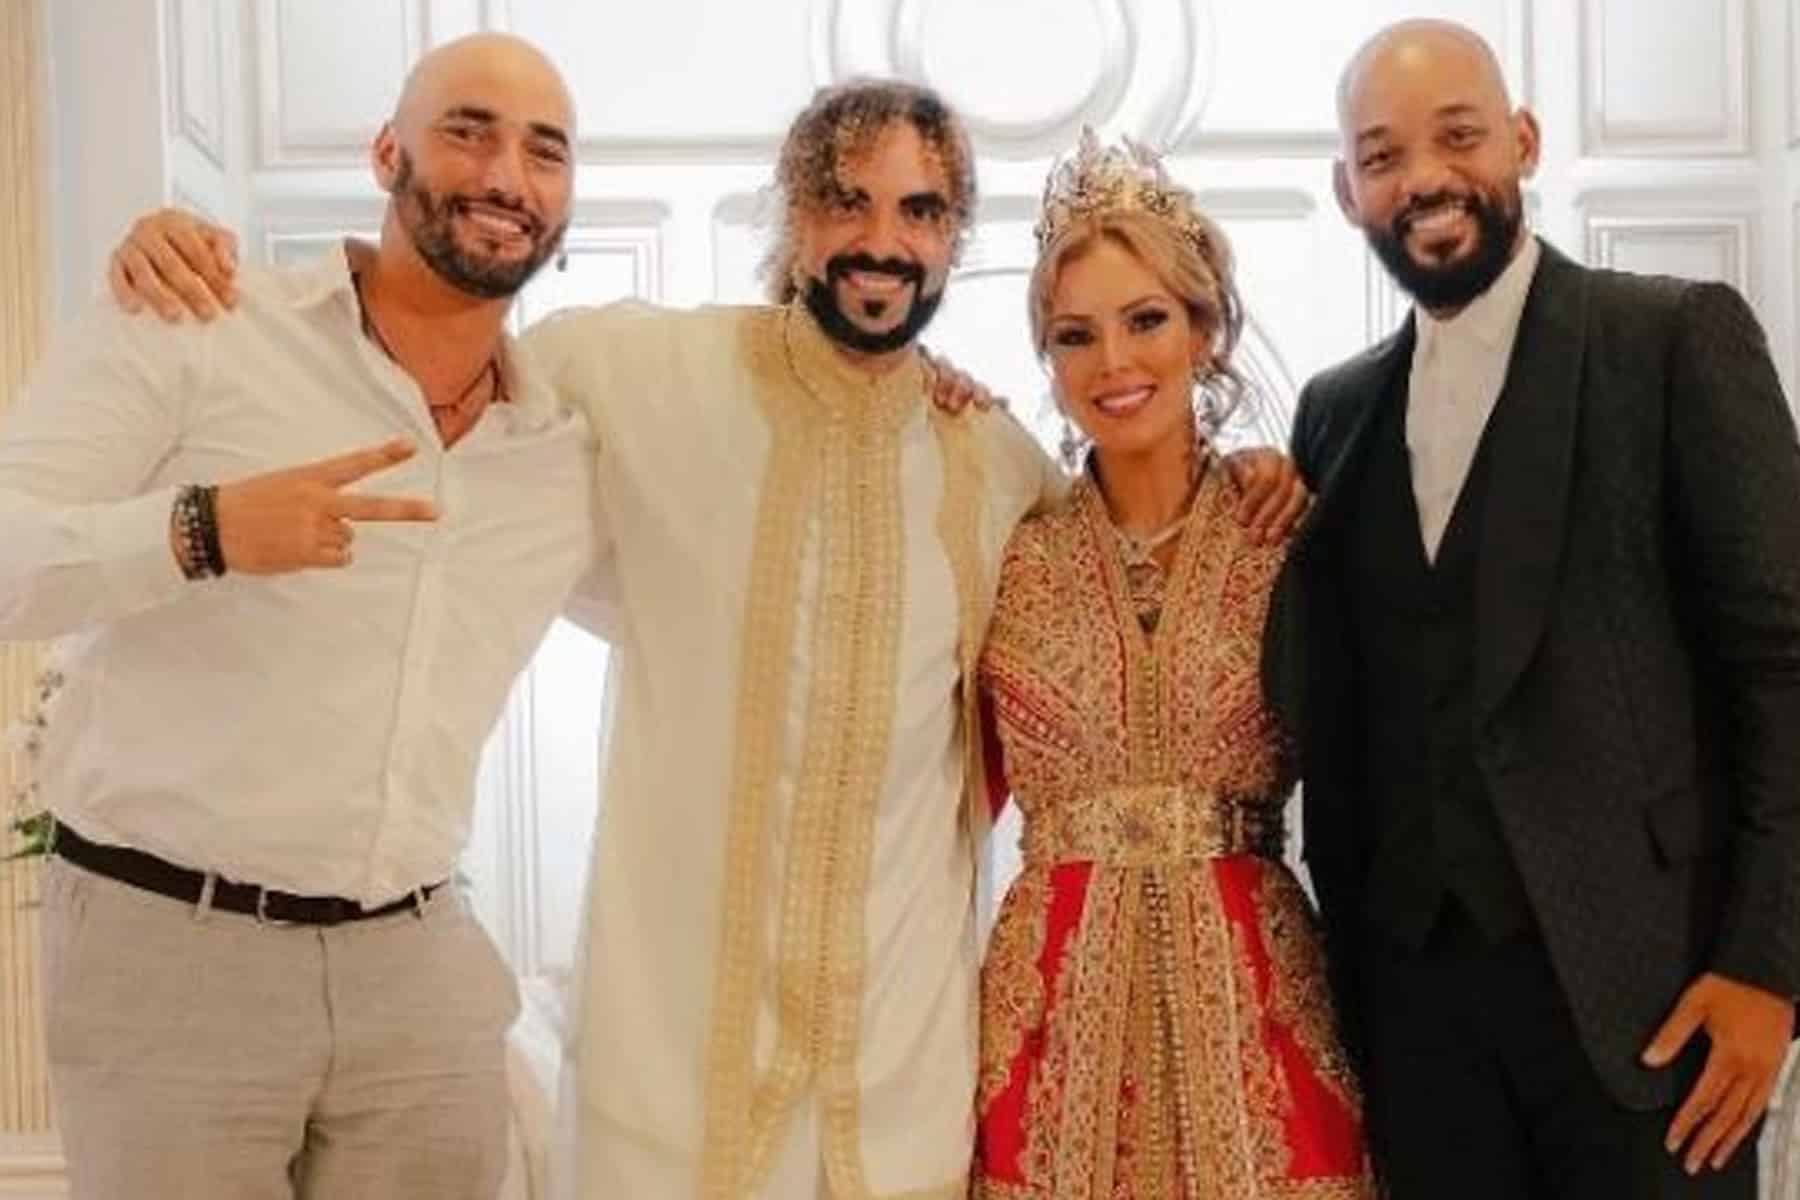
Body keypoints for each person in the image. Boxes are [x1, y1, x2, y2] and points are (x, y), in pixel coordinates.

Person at [108, 79, 1310, 1199]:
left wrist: (1260, 471)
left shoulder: (996, 469)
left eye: (920, 210)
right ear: (793, 215)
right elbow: (428, 343)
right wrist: (235, 287)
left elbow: (1135, 539)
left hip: (900, 1085)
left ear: (955, 239)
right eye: (846, 201)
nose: (883, 240)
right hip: (676, 1080)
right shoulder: (643, 371)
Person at [0, 34, 596, 1199]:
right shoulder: (196, 320)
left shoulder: (562, 446)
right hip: (171, 946)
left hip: (417, 967)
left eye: (545, 151)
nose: (506, 176)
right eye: (467, 131)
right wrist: (203, 530)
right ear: (387, 154)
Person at [1270, 19, 1800, 1198]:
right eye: (1384, 155)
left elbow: (1783, 664)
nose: (1426, 178)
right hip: (1414, 1017)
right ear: (1348, 191)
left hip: (1654, 1005)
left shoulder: (1669, 339)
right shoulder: (1334, 413)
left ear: (1523, 140)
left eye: (1458, 135)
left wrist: (1770, 967)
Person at [970, 130, 1371, 1199]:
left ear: (1205, 327)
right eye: (1075, 335)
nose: (1114, 363)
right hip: (1050, 1023)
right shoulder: (1006, 550)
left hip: (1259, 1010)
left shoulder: (1287, 533)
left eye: (1145, 319)